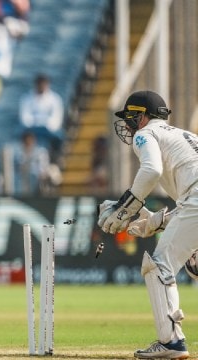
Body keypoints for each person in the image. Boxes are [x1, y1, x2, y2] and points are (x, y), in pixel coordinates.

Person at [97, 90, 196, 359]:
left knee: (159, 264)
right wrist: (153, 222)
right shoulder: (183, 136)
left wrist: (124, 208)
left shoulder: (146, 133)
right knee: (193, 263)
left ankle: (171, 342)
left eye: (130, 118)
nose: (128, 125)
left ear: (142, 116)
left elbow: (152, 170)